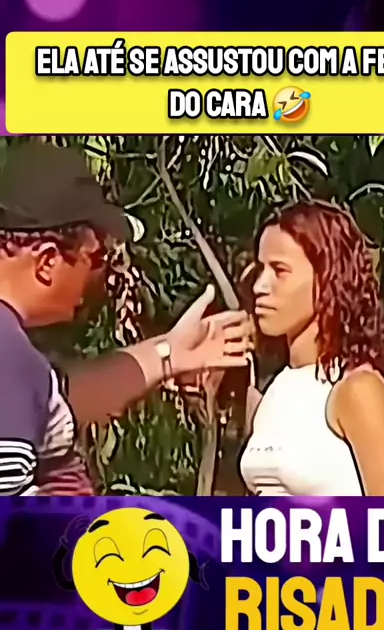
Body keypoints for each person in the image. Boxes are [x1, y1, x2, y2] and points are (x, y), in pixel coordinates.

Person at [0, 142, 251, 495]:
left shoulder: (14, 358)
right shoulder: (9, 355)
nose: (101, 275)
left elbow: (60, 402)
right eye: (97, 257)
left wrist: (170, 352)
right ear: (48, 262)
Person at [239, 200, 384, 496]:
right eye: (260, 269)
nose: (260, 286)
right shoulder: (274, 390)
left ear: (327, 279)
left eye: (279, 270)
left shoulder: (358, 389)